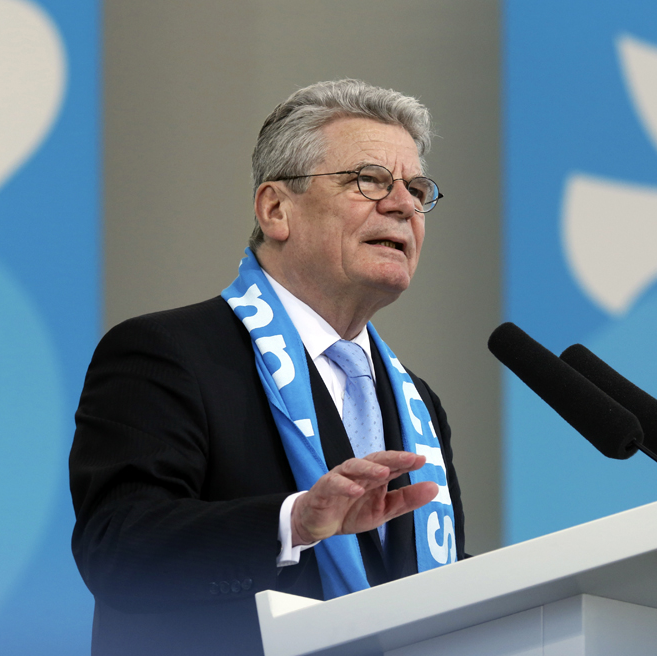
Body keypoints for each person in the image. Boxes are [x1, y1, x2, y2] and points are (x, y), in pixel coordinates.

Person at [69, 79, 466, 656]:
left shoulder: (417, 402)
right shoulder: (166, 354)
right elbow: (119, 554)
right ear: (276, 209)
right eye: (370, 180)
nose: (404, 204)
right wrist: (295, 522)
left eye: (416, 187)